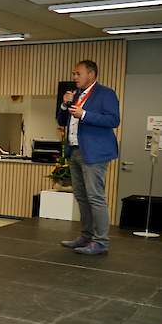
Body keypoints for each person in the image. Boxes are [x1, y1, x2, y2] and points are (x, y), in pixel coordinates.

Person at [58, 60, 120, 255]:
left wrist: (84, 114)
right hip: (75, 150)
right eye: (73, 73)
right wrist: (64, 104)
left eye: (78, 73)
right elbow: (62, 120)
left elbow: (113, 120)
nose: (74, 77)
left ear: (91, 74)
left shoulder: (106, 93)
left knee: (95, 197)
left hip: (95, 152)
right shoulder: (75, 95)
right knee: (81, 197)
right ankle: (86, 236)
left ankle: (100, 242)